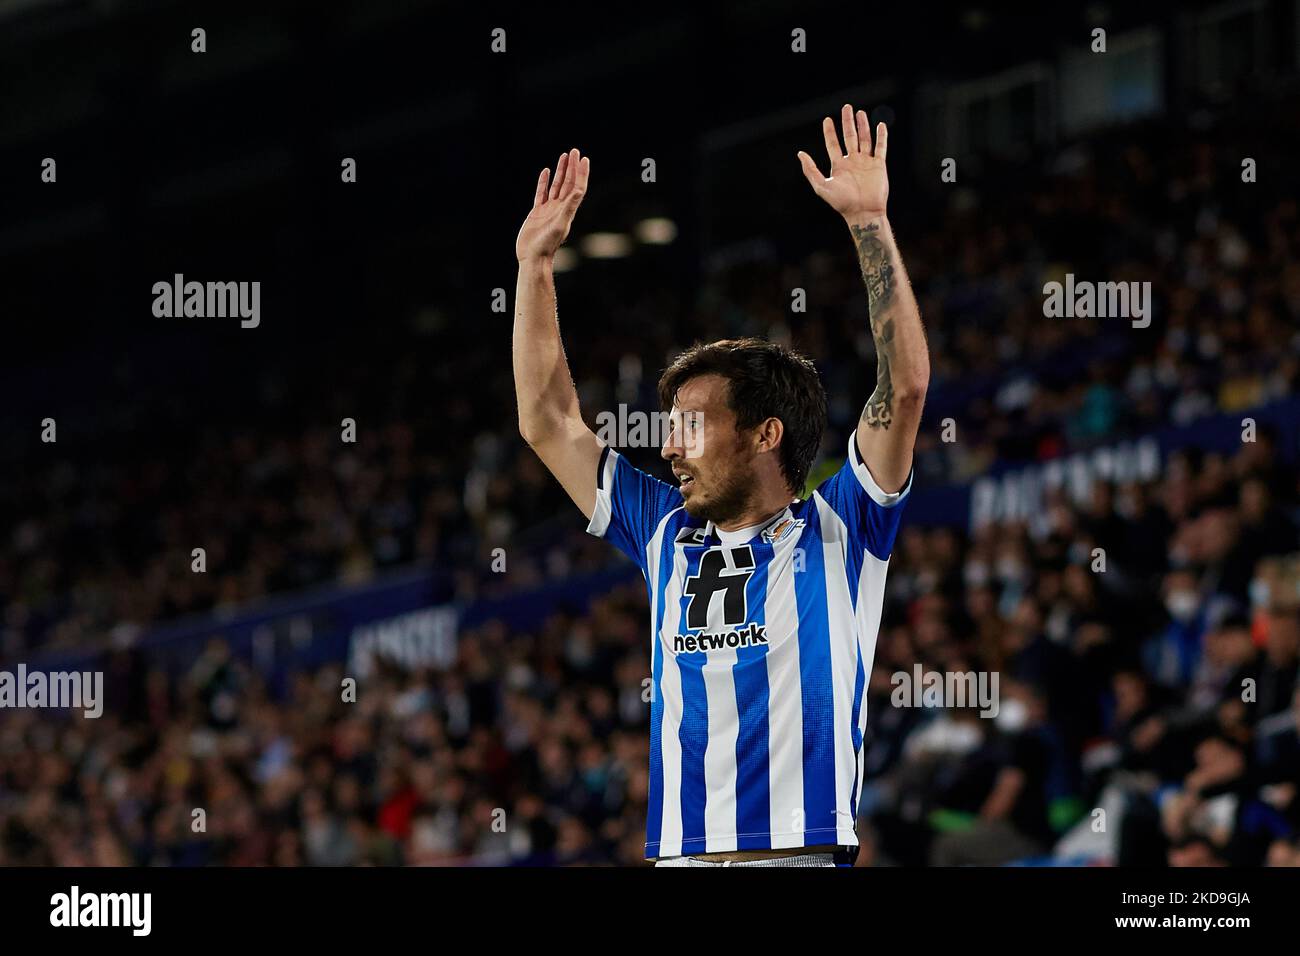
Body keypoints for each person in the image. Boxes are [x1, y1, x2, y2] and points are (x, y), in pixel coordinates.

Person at [511, 105, 930, 866]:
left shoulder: (843, 528)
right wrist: (534, 268)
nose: (670, 448)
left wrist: (870, 220)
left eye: (693, 426)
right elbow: (547, 424)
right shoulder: (664, 529)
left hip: (795, 854)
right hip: (679, 856)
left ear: (766, 434)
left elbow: (903, 391)